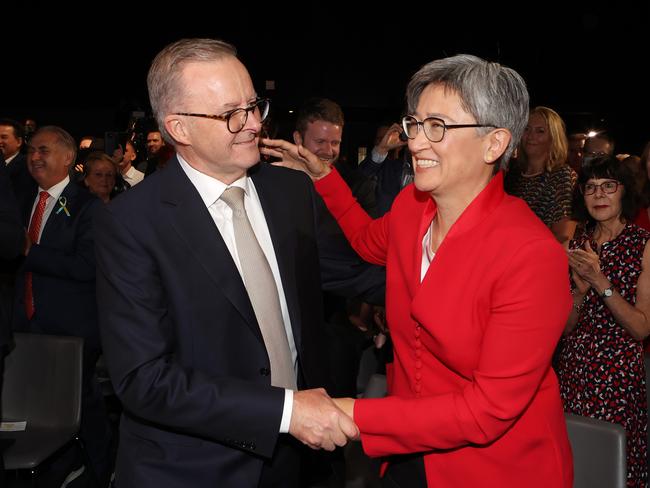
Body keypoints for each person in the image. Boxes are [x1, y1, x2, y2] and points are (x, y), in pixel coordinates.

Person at [262, 54, 573, 487]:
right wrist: (323, 177)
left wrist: (348, 410)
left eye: (438, 127)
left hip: (495, 466)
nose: (416, 142)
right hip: (411, 447)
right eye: (415, 124)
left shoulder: (531, 256)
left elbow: (487, 410)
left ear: (495, 143)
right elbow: (367, 241)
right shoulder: (412, 208)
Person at [94, 38, 358, 488]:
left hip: (301, 462)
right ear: (179, 127)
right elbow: (144, 380)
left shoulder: (291, 193)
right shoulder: (132, 223)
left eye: (255, 105)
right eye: (232, 113)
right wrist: (286, 411)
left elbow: (356, 273)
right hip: (193, 468)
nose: (254, 123)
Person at [12, 126, 111, 486]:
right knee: (36, 405)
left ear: (69, 158)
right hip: (23, 322)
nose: (34, 157)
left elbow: (87, 267)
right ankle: (57, 465)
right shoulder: (18, 201)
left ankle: (102, 471)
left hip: (72, 331)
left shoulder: (88, 208)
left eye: (44, 150)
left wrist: (28, 252)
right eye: (31, 151)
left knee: (79, 406)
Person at [557, 155, 649, 487]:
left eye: (608, 186)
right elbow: (563, 329)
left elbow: (641, 328)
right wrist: (579, 293)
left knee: (613, 466)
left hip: (618, 380)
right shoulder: (575, 243)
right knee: (574, 464)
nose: (599, 195)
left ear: (625, 192)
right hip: (574, 374)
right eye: (591, 188)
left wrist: (600, 281)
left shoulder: (643, 245)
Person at [505, 106, 577, 244]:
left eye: (540, 131)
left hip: (538, 257)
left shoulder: (561, 176)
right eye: (527, 129)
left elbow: (564, 235)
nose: (531, 136)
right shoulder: (512, 174)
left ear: (553, 138)